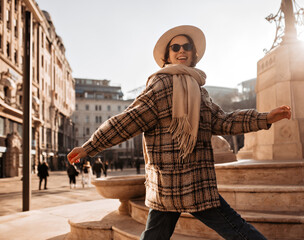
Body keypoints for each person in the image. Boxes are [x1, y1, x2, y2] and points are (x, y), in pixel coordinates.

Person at [68, 25, 291, 240]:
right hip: (171, 183)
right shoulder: (161, 85)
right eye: (175, 48)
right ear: (168, 56)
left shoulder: (199, 91)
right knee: (236, 229)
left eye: (187, 46)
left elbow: (223, 121)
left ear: (194, 54)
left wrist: (264, 118)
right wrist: (90, 146)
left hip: (193, 182)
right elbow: (128, 121)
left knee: (231, 229)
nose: (181, 50)